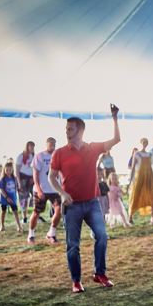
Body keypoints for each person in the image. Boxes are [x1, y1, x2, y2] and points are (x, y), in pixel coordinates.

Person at [49, 105, 121, 293]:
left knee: (102, 236)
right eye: (66, 129)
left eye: (70, 129)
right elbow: (51, 177)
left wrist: (114, 118)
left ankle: (100, 273)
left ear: (80, 130)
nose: (67, 132)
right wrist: (62, 193)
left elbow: (116, 139)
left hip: (92, 203)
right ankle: (76, 280)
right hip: (71, 206)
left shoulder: (92, 148)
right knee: (73, 245)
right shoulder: (59, 153)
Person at [28, 137, 62, 245]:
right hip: (41, 189)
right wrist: (38, 189)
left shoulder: (57, 156)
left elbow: (61, 173)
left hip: (54, 189)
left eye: (54, 144)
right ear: (46, 144)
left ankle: (51, 233)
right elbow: (35, 174)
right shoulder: (40, 156)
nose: (52, 145)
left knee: (59, 210)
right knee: (36, 212)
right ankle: (31, 234)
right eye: (50, 143)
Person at [128, 138, 153, 225]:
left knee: (152, 196)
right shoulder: (137, 154)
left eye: (146, 142)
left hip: (149, 177)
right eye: (143, 142)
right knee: (135, 195)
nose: (145, 144)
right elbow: (133, 168)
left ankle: (152, 218)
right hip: (139, 177)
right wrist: (130, 180)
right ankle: (130, 217)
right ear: (141, 143)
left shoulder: (150, 154)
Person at [0, 162, 22, 233]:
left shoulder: (14, 178)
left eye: (10, 170)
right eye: (7, 170)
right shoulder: (3, 179)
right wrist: (6, 197)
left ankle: (19, 226)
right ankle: (2, 225)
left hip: (13, 198)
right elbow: (1, 189)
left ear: (12, 170)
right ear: (4, 170)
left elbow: (16, 187)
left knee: (15, 211)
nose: (8, 172)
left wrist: (19, 190)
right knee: (3, 211)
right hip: (5, 198)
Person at [16, 141, 35, 223]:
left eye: (33, 147)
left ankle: (36, 215)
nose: (32, 148)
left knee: (36, 197)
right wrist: (19, 182)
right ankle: (24, 217)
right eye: (31, 146)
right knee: (24, 199)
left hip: (32, 178)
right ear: (27, 147)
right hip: (23, 178)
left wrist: (34, 178)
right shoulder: (21, 156)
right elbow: (17, 170)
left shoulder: (34, 156)